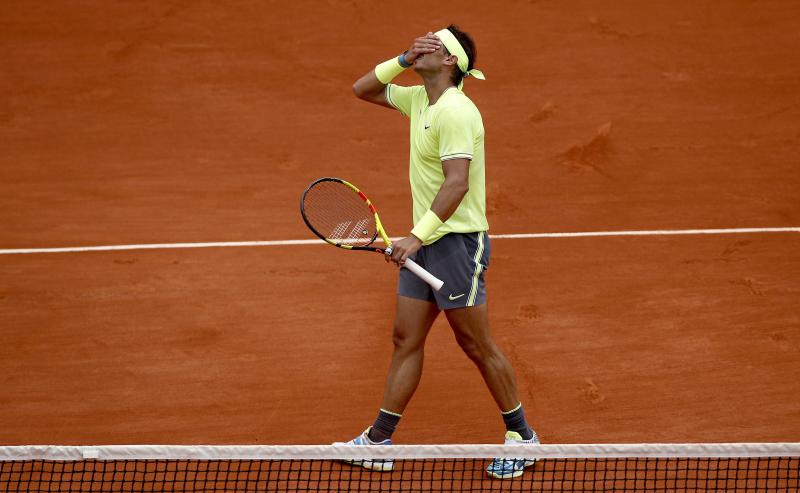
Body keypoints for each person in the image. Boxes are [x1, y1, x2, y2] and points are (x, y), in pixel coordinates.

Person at [339, 25, 540, 479]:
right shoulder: (418, 99)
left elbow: (457, 183)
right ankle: (378, 442)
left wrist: (415, 236)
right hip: (427, 242)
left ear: (449, 60)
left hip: (457, 245)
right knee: (404, 338)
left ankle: (524, 438)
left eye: (432, 43)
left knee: (475, 343)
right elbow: (363, 89)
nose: (421, 43)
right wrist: (404, 57)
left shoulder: (455, 111)